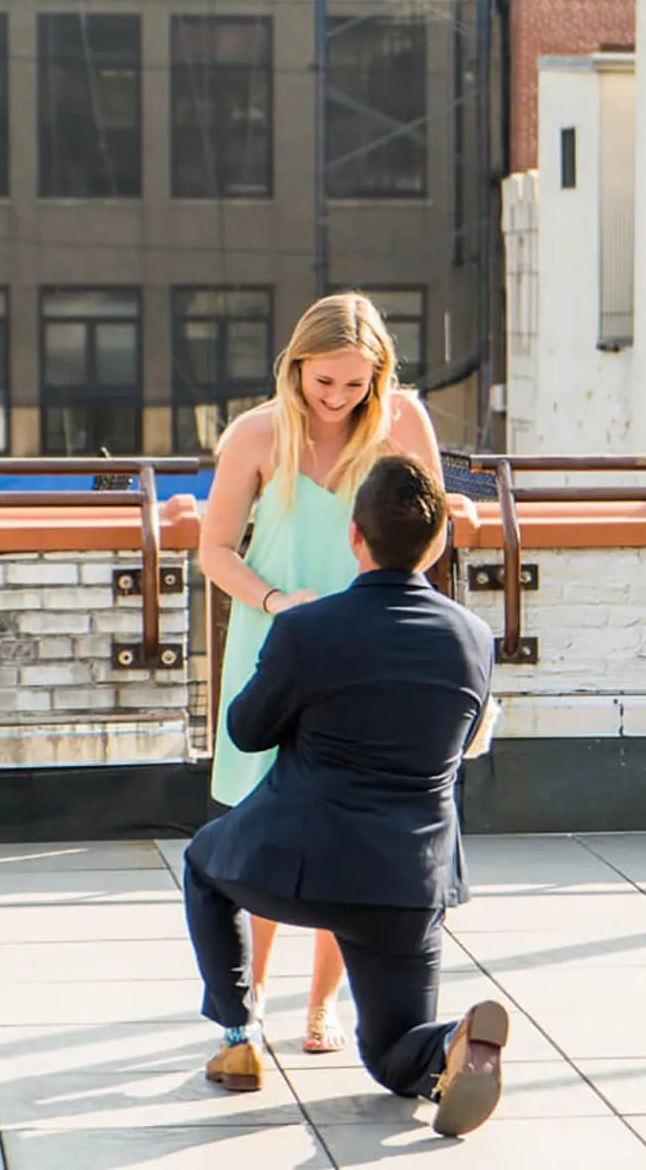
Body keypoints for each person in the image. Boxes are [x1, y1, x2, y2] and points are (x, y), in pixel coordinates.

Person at [184, 455, 508, 1140]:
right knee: (392, 1053)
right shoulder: (475, 639)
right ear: (439, 541)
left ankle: (239, 1029)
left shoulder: (308, 629)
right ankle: (448, 1042)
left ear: (355, 539)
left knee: (204, 865)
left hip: (300, 864)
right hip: (409, 882)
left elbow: (245, 730)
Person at [200, 291, 443, 1053]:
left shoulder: (405, 421)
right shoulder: (256, 432)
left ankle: (321, 1006)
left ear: (379, 375)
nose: (338, 398)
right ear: (295, 367)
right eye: (323, 382)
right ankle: (255, 992)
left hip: (369, 652)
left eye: (355, 384)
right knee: (265, 821)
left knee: (350, 827)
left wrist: (381, 601)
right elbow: (214, 552)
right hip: (275, 641)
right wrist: (279, 602)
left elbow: (434, 534)